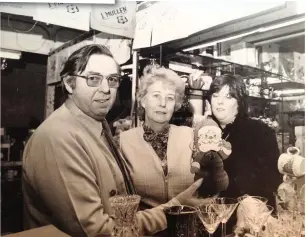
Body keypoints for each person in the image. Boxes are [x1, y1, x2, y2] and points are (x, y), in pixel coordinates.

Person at [22, 44, 206, 237]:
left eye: (112, 80)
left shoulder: (97, 126)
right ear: (69, 83)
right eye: (93, 79)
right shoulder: (58, 137)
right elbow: (97, 231)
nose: (105, 89)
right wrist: (174, 208)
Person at [120, 66, 211, 211]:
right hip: (146, 229)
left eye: (170, 98)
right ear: (143, 101)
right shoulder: (123, 142)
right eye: (156, 96)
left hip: (187, 226)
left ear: (176, 104)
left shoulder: (191, 136)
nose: (163, 104)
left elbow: (210, 183)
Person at [208, 74, 282, 234]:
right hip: (211, 221)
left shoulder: (259, 131)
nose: (219, 101)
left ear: (239, 103)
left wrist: (249, 203)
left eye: (228, 97)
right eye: (215, 95)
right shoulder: (203, 132)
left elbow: (272, 180)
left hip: (247, 220)